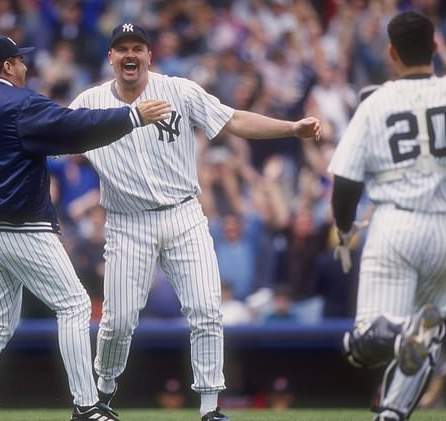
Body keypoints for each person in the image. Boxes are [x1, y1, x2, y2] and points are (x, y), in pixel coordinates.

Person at [69, 22, 322, 421]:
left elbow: (233, 119)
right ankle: (103, 392)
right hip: (127, 220)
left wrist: (290, 128)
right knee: (118, 322)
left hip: (184, 213)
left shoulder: (179, 91)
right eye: (122, 49)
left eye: (138, 47)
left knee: (207, 308)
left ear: (150, 55)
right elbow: (54, 137)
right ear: (111, 57)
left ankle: (209, 407)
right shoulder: (88, 103)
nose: (130, 54)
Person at [0, 35, 171, 421]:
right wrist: (133, 116)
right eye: (19, 61)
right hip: (16, 225)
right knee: (74, 305)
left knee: (0, 318)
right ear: (6, 67)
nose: (25, 67)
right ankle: (86, 405)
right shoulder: (19, 102)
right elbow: (73, 127)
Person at [328, 11, 446, 421]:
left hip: (397, 224)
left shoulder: (376, 102)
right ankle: (391, 413)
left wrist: (344, 229)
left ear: (391, 53)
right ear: (435, 47)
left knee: (363, 342)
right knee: (429, 335)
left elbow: (345, 182)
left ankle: (400, 336)